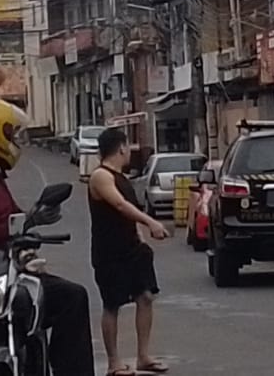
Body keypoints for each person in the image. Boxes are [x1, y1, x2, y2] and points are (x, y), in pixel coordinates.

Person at [0, 97, 94, 376]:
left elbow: (13, 218)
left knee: (70, 297)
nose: (14, 140)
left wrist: (32, 219)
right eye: (9, 133)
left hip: (7, 272)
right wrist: (30, 221)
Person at [87, 128, 170, 376]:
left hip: (132, 249)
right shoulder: (100, 176)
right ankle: (114, 362)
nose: (129, 152)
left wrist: (141, 238)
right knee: (112, 304)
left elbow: (129, 211)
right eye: (127, 147)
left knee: (145, 297)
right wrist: (152, 222)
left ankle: (143, 356)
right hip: (109, 252)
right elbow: (120, 206)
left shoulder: (123, 178)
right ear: (121, 147)